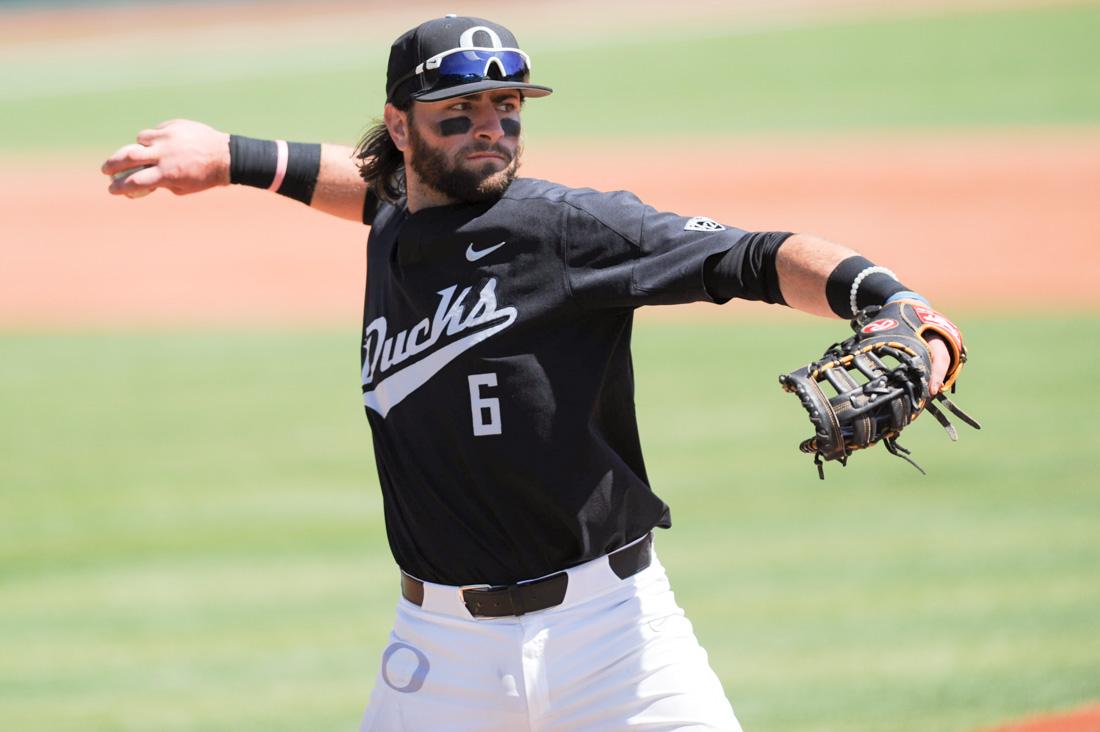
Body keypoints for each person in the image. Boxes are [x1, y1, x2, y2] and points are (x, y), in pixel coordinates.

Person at [102, 15, 955, 732]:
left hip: (617, 642)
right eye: (460, 111)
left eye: (506, 108)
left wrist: (892, 301)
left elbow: (755, 256)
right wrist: (228, 157)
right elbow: (358, 184)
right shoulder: (400, 215)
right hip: (438, 656)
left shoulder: (568, 229)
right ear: (400, 128)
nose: (490, 128)